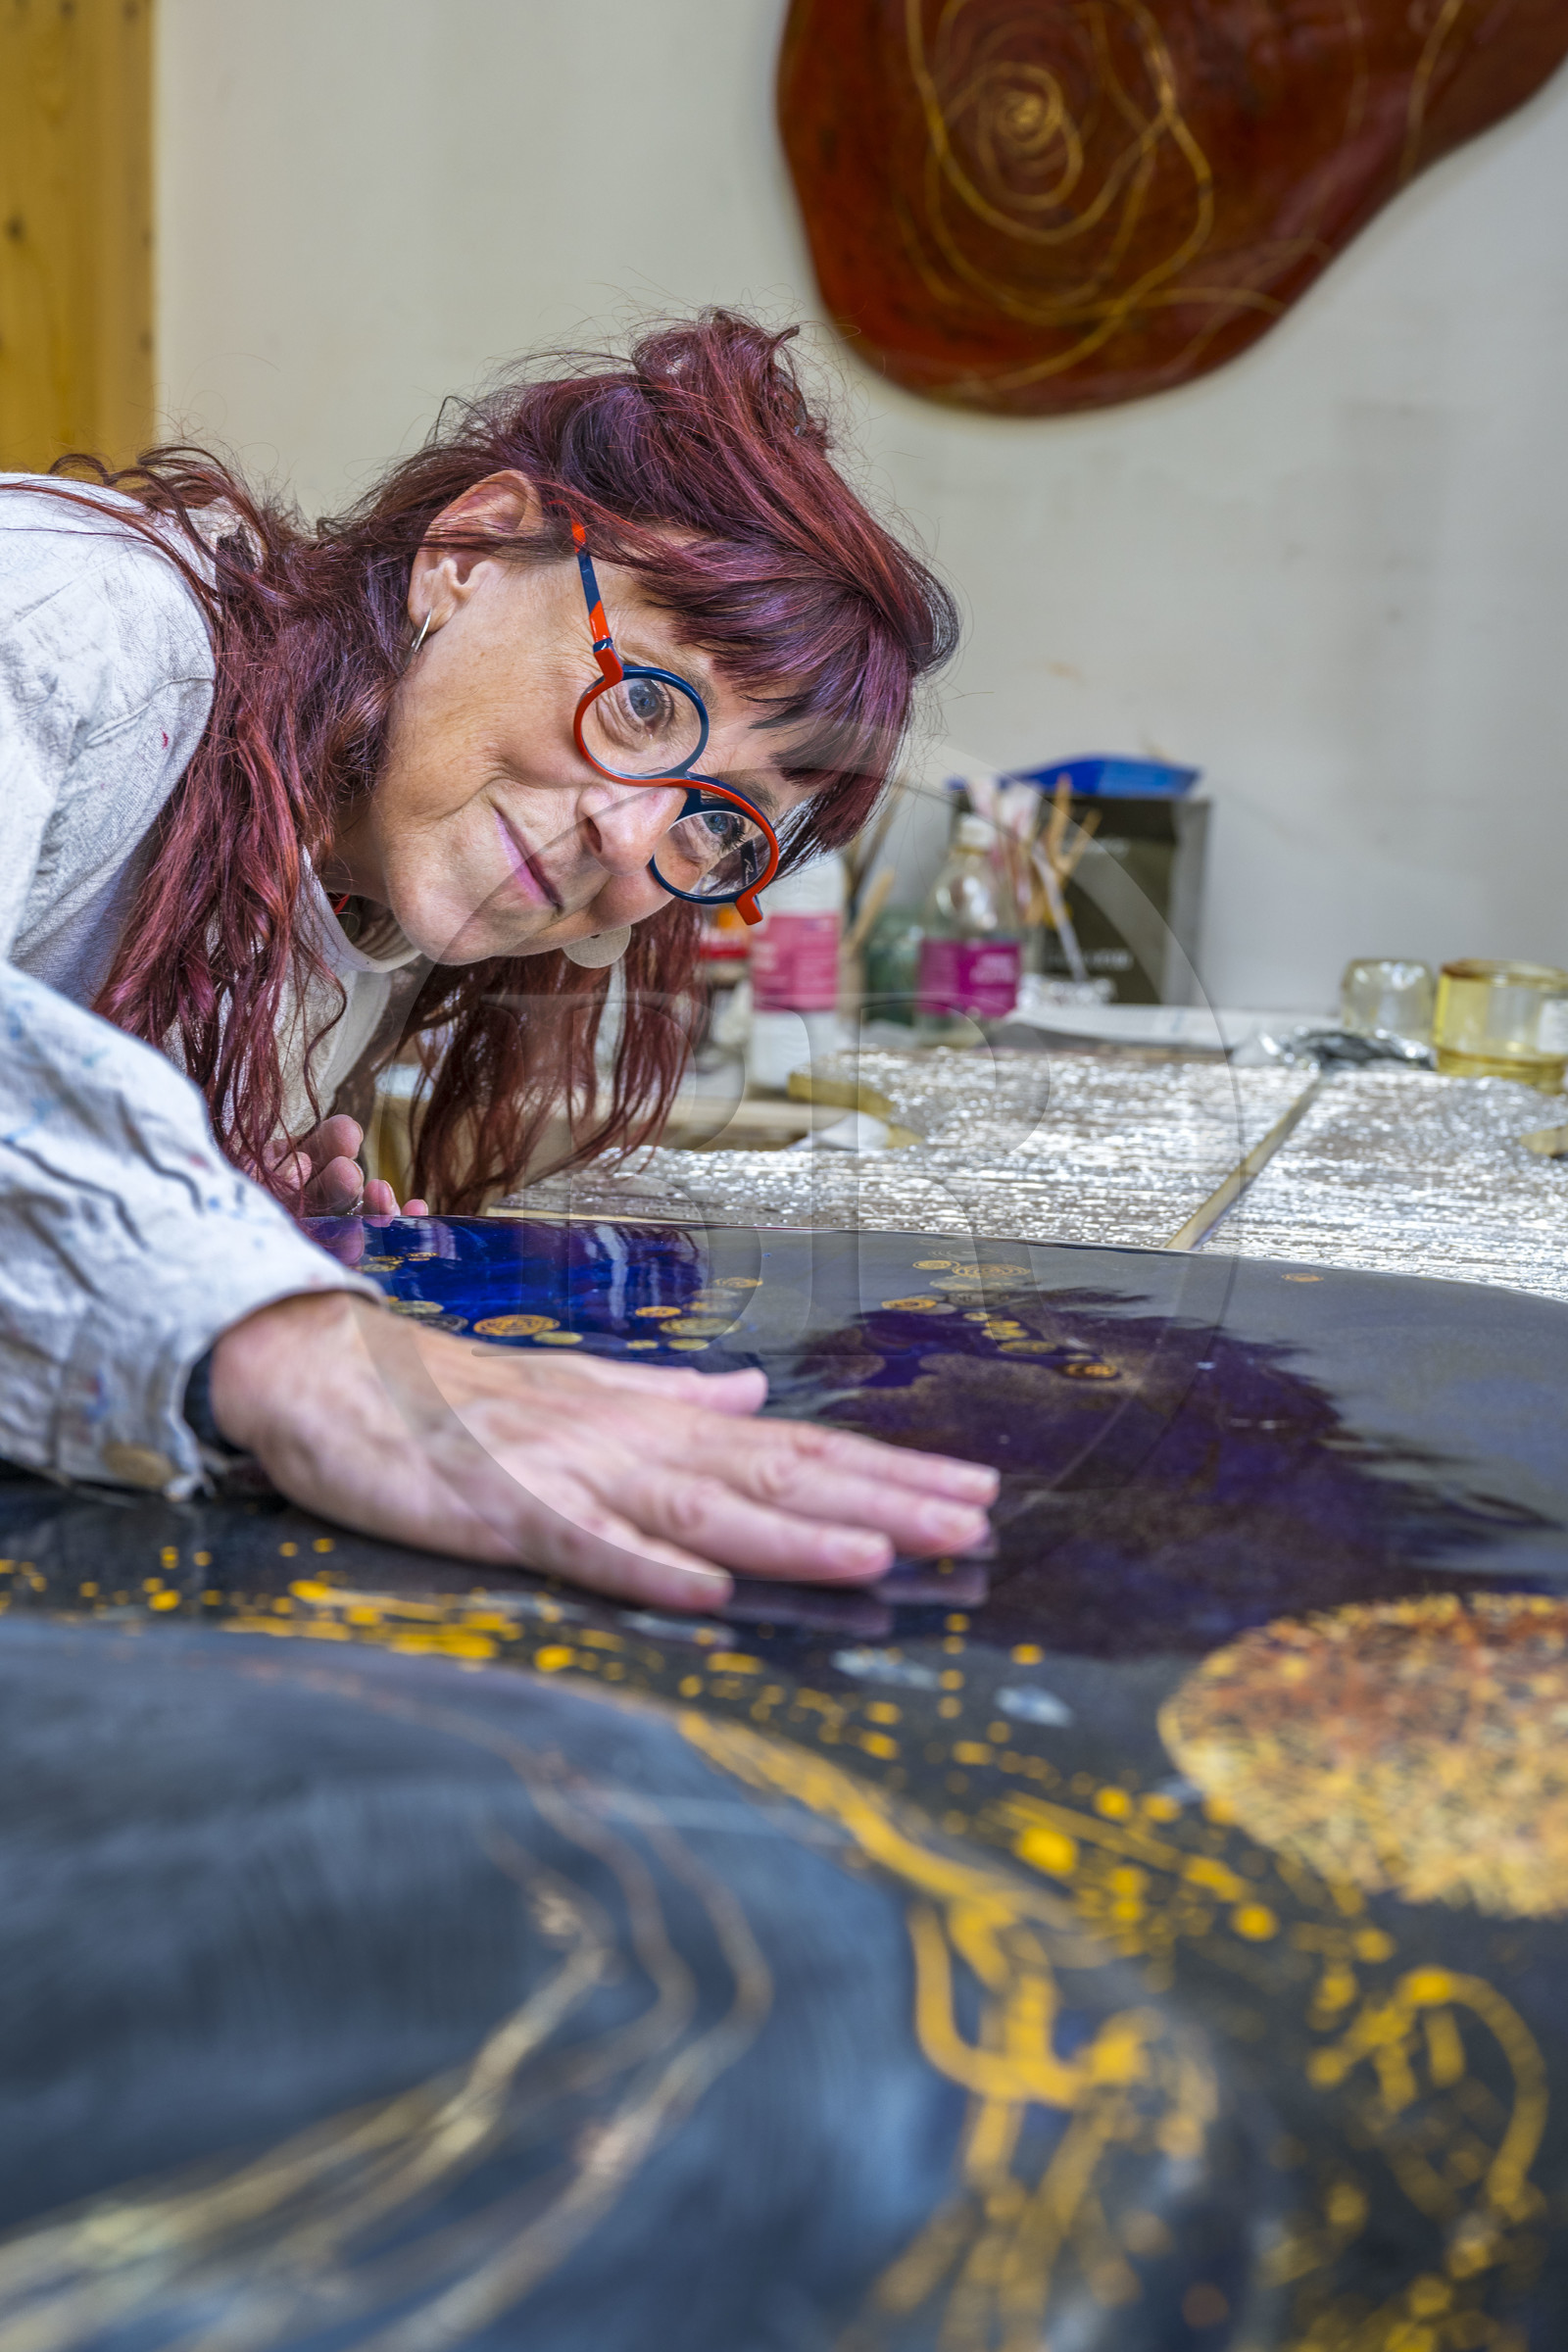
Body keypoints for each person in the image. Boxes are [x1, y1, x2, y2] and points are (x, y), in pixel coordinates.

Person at [0, 313, 996, 1611]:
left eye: (714, 820)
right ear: (467, 554)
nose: (632, 840)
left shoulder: (378, 903)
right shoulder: (69, 619)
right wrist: (271, 1337)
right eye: (645, 700)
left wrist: (212, 1200)